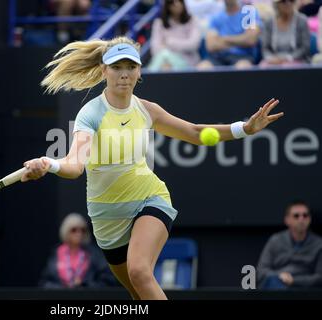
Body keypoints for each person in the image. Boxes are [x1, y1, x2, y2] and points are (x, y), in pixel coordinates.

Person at [20, 36, 284, 300]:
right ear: (104, 70)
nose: (124, 74)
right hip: (106, 218)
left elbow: (194, 132)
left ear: (139, 71)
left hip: (149, 198)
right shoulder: (90, 114)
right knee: (139, 295)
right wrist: (50, 163)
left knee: (139, 271)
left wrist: (245, 128)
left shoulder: (147, 110)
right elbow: (74, 165)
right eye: (117, 67)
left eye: (131, 67)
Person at [39, 213, 117, 288]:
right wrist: (63, 290)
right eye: (74, 230)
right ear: (65, 231)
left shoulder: (94, 254)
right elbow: (45, 282)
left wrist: (84, 286)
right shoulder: (56, 253)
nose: (79, 233)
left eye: (83, 230)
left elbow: (106, 281)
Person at [257, 200, 322, 289]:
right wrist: (280, 276)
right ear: (287, 220)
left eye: (305, 215)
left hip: (303, 289)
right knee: (272, 282)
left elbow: (319, 277)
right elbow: (261, 272)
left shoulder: (319, 244)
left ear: (310, 219)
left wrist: (294, 280)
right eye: (296, 216)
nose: (301, 219)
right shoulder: (275, 240)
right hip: (276, 285)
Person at [197, 0, 263, 69]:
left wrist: (223, 39)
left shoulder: (249, 13)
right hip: (218, 57)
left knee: (243, 67)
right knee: (203, 67)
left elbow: (251, 40)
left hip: (243, 56)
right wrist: (241, 40)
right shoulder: (216, 17)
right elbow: (211, 46)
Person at [148, 0, 202, 71]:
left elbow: (193, 45)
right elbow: (155, 49)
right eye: (172, 2)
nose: (177, 4)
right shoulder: (159, 23)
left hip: (188, 62)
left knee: (164, 60)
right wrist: (181, 45)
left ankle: (149, 79)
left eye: (179, 1)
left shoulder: (193, 21)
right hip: (164, 61)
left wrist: (170, 42)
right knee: (165, 60)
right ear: (167, 6)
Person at [261, 0, 311, 66]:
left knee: (286, 67)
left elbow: (305, 48)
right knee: (263, 67)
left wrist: (288, 58)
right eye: (283, 1)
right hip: (273, 61)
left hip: (297, 60)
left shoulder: (302, 20)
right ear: (276, 4)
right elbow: (265, 48)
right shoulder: (269, 22)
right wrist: (271, 59)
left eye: (291, 0)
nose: (288, 3)